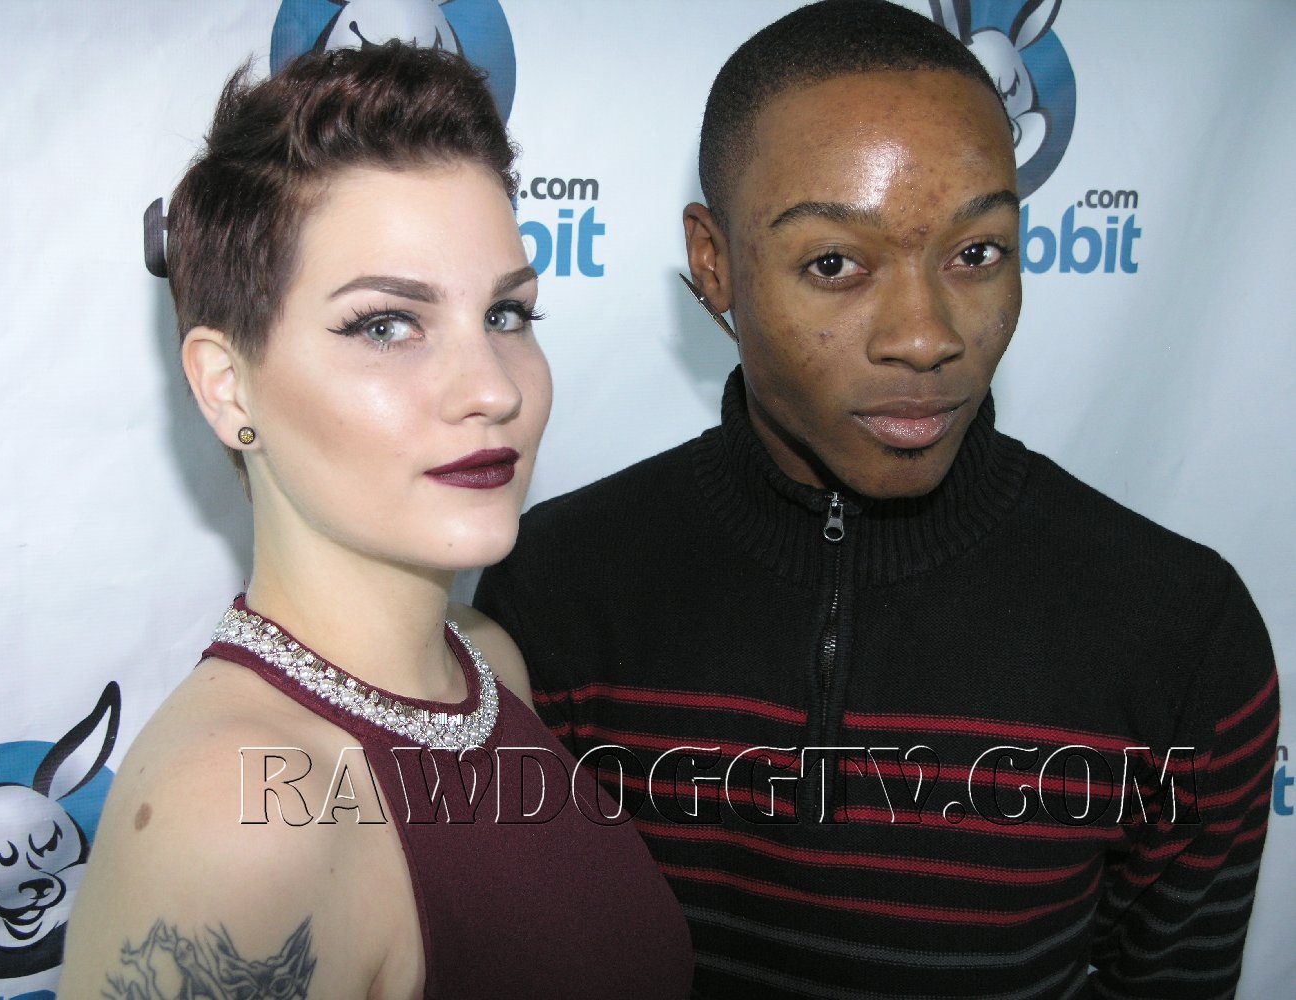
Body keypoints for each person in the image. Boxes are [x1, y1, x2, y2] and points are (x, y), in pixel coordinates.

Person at [474, 2, 1279, 997]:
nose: (924, 336)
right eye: (834, 264)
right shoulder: (552, 590)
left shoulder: (1180, 630)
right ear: (715, 264)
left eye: (976, 253)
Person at [59, 42, 692, 1000]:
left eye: (507, 314)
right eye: (385, 325)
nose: (492, 390)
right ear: (227, 386)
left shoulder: (488, 663)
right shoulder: (233, 816)